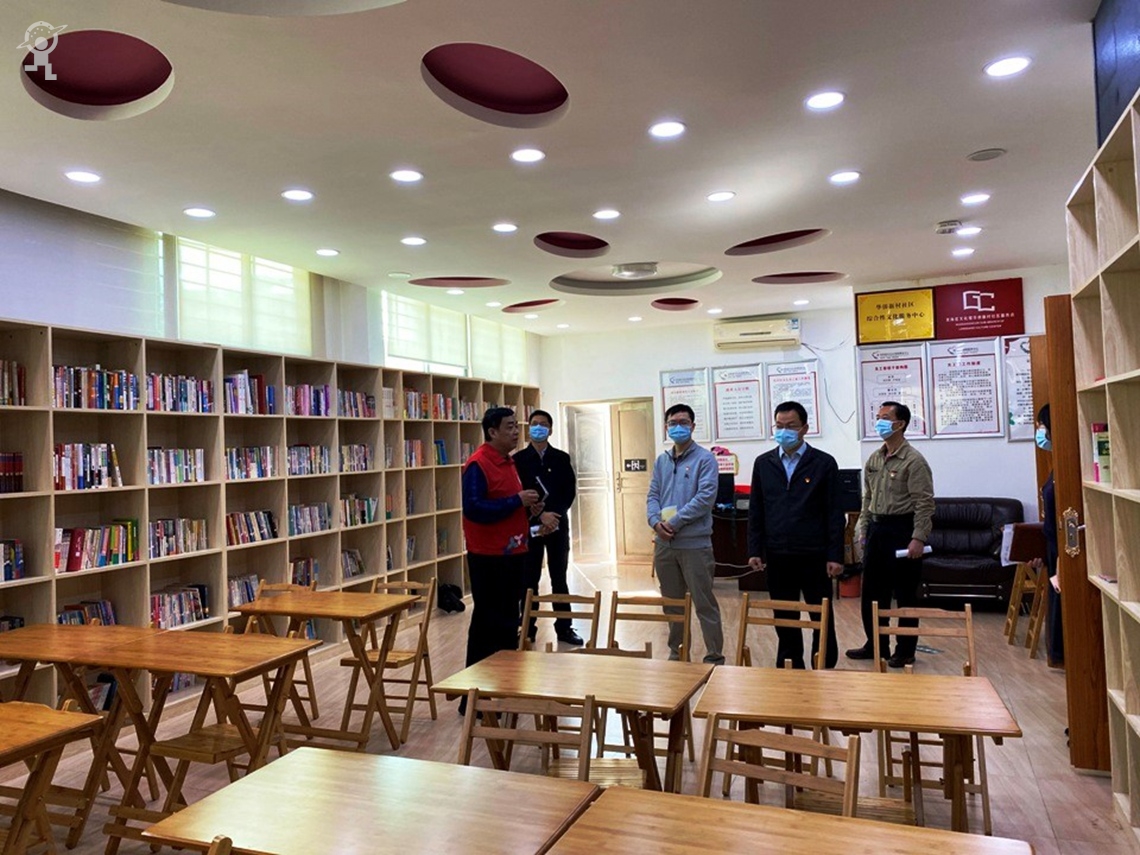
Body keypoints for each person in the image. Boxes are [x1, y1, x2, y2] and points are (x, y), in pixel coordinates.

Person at [746, 401, 844, 669]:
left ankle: (824, 663)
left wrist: (835, 555)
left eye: (790, 426)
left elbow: (834, 513)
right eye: (779, 426)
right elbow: (756, 509)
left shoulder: (823, 463)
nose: (784, 431)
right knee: (784, 613)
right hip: (778, 552)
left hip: (814, 553)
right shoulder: (764, 463)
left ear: (804, 429)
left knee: (821, 613)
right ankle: (790, 663)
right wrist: (755, 549)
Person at [847, 401, 935, 668]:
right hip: (877, 529)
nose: (879, 422)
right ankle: (876, 644)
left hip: (903, 529)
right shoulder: (875, 458)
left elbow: (924, 503)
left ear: (900, 424)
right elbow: (868, 498)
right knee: (872, 593)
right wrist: (863, 529)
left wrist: (918, 538)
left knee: (905, 594)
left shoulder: (914, 461)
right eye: (878, 417)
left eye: (885, 417)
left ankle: (905, 650)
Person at [461, 407, 543, 689]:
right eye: (509, 427)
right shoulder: (478, 463)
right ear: (492, 432)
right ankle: (473, 695)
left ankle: (505, 688)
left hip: (513, 553)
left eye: (516, 426)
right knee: (487, 625)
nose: (516, 432)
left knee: (509, 623)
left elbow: (506, 502)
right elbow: (474, 508)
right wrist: (516, 501)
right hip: (489, 557)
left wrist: (527, 508)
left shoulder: (508, 462)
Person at [646, 403, 724, 664]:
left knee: (704, 603)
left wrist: (674, 523)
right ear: (666, 427)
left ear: (693, 426)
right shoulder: (662, 461)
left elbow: (705, 498)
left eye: (683, 422)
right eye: (673, 423)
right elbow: (653, 495)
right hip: (664, 545)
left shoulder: (705, 459)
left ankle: (714, 657)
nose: (678, 427)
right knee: (672, 604)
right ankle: (677, 654)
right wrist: (655, 522)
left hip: (694, 545)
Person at [513, 408, 582, 645]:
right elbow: (516, 492)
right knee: (528, 579)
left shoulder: (561, 458)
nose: (538, 428)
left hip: (557, 525)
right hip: (529, 526)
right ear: (528, 428)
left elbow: (568, 491)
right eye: (534, 423)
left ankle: (565, 628)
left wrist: (553, 516)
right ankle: (527, 627)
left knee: (559, 577)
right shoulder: (518, 460)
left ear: (550, 430)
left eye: (543, 424)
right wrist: (539, 515)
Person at [1032, 404, 1063, 667]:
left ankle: (1063, 656)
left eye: (1042, 426)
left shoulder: (1067, 463)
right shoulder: (1055, 464)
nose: (1040, 432)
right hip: (1053, 546)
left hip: (1064, 547)